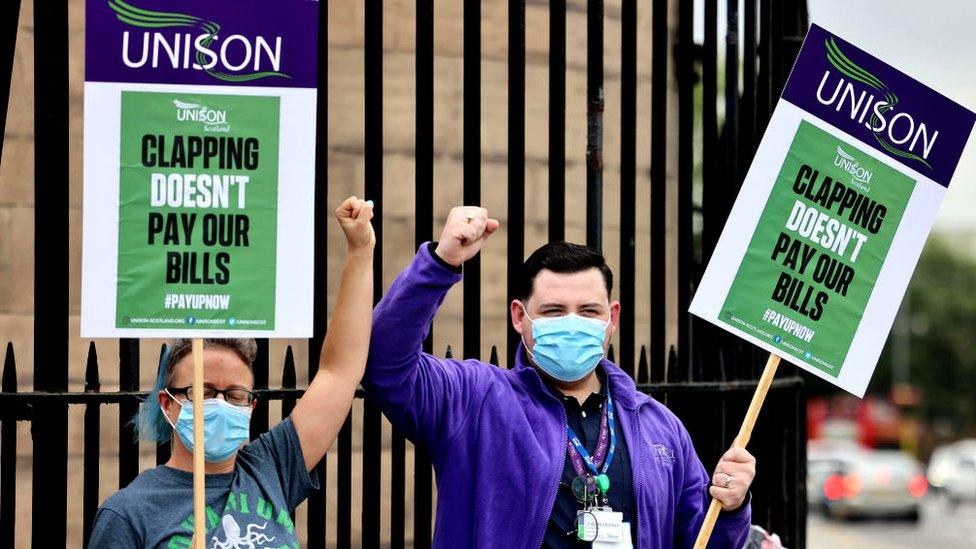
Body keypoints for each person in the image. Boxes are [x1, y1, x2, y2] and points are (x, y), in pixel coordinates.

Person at [364, 206, 756, 548]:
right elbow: (382, 362)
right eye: (553, 311)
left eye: (588, 311)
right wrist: (441, 263)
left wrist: (732, 507)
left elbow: (701, 541)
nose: (572, 324)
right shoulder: (473, 400)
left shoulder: (660, 426)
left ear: (612, 318)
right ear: (520, 317)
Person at [88, 196, 375, 548]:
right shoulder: (128, 513)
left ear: (251, 406)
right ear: (168, 402)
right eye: (204, 392)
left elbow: (339, 371)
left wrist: (361, 252)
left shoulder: (271, 468)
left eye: (235, 395)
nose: (221, 404)